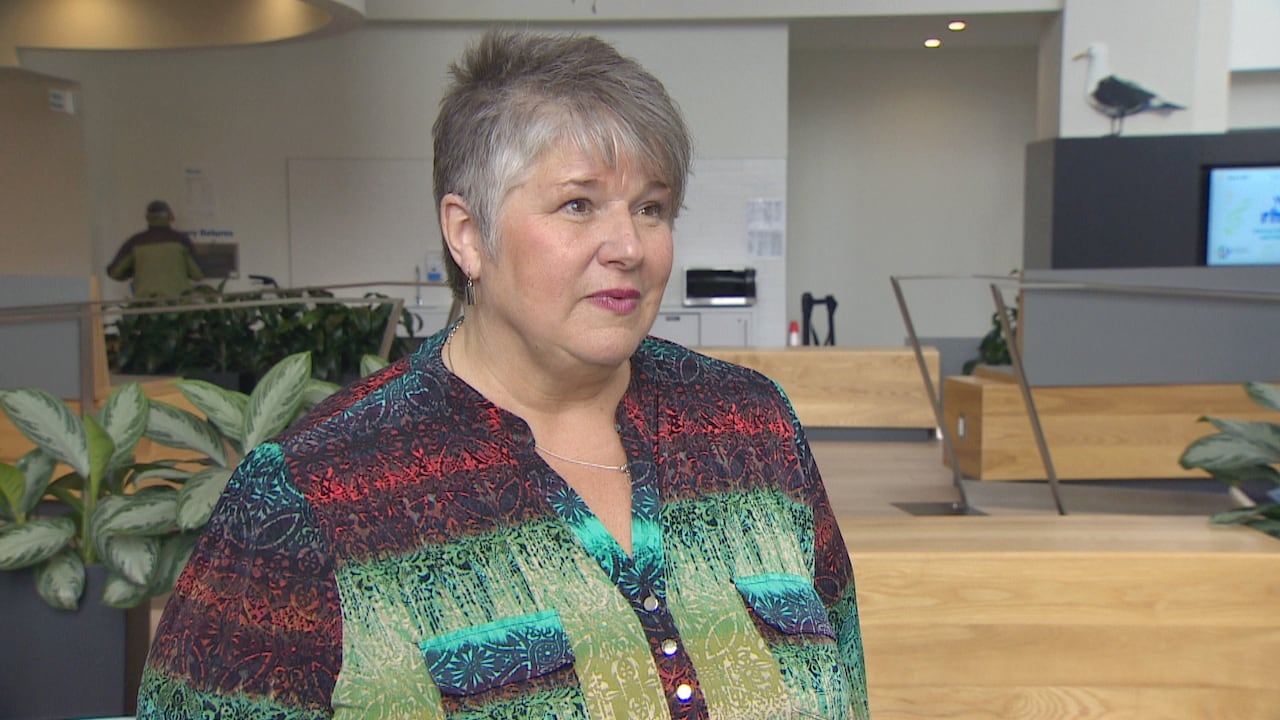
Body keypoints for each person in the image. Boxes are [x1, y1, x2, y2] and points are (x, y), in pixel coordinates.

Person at [137, 30, 870, 720]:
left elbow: (845, 677)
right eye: (578, 204)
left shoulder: (748, 425)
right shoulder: (310, 494)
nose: (629, 245)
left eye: (651, 207)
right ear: (468, 234)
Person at [106, 200, 204, 297]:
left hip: (147, 303)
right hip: (178, 303)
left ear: (147, 218)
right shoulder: (181, 240)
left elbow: (114, 273)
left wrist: (134, 270)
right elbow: (198, 274)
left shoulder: (135, 241)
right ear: (170, 217)